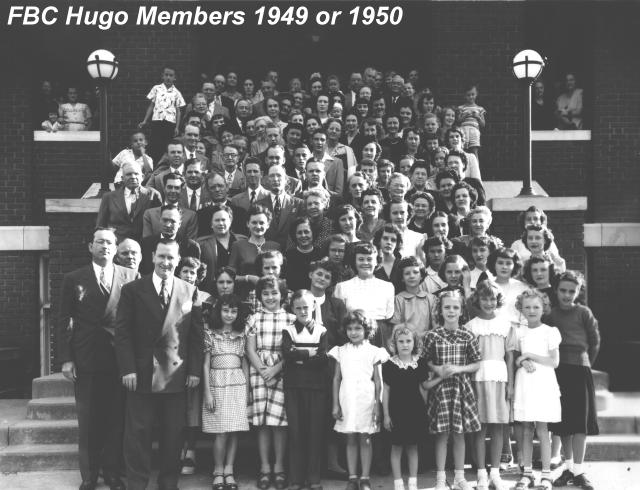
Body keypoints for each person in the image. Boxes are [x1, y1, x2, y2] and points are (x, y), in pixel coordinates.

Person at [115, 238, 204, 490]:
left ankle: (168, 483)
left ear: (178, 260)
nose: (166, 262)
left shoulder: (189, 290)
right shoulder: (133, 290)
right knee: (138, 434)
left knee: (172, 434)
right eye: (162, 256)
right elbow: (123, 334)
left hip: (175, 374)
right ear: (153, 256)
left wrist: (194, 371)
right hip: (141, 373)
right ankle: (137, 484)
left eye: (171, 257)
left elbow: (196, 337)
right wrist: (128, 369)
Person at [58, 228, 137, 490]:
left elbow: (137, 320)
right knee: (89, 419)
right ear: (90, 246)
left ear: (116, 248)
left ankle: (112, 473)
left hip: (119, 358)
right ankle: (89, 475)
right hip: (87, 357)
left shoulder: (130, 276)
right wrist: (67, 358)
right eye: (100, 242)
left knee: (116, 419)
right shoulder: (74, 278)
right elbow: (64, 319)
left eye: (110, 242)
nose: (105, 246)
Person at [423, 290, 481, 490]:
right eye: (447, 307)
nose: (451, 311)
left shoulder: (467, 335)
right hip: (440, 389)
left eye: (455, 307)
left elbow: (476, 363)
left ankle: (459, 477)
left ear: (461, 310)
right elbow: (425, 360)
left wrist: (459, 369)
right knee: (441, 435)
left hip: (460, 389)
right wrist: (437, 368)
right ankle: (441, 478)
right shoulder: (432, 335)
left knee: (459, 434)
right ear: (440, 310)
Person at [547, 272, 600, 490]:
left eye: (572, 291)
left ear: (578, 292)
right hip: (559, 372)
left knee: (580, 423)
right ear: (556, 290)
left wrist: (585, 363)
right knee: (563, 424)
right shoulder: (551, 315)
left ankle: (579, 470)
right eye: (563, 290)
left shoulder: (584, 313)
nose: (567, 295)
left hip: (580, 370)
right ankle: (569, 468)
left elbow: (595, 341)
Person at [329, 310, 389, 490]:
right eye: (350, 329)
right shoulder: (341, 351)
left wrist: (377, 405)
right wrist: (335, 404)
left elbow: (378, 380)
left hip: (366, 399)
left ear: (366, 330)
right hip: (347, 398)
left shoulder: (374, 351)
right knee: (350, 439)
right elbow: (336, 378)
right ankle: (352, 477)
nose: (353, 332)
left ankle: (365, 478)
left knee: (365, 438)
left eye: (358, 328)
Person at [466, 280, 514, 490]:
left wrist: (511, 385)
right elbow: (468, 358)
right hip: (478, 379)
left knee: (498, 427)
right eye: (484, 298)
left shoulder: (506, 325)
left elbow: (510, 358)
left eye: (492, 298)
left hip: (500, 379)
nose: (488, 302)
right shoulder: (471, 326)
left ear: (498, 300)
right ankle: (481, 474)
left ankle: (495, 473)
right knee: (479, 427)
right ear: (477, 300)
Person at [511, 289, 561, 490]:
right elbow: (515, 358)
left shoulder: (550, 331)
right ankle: (528, 473)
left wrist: (529, 355)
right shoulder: (518, 332)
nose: (531, 311)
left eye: (536, 307)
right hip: (525, 383)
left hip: (543, 383)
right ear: (521, 309)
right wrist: (522, 361)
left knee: (542, 429)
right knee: (526, 429)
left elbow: (554, 361)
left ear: (543, 308)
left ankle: (546, 475)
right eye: (527, 307)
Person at [245, 276, 292, 490]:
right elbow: (250, 349)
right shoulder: (254, 318)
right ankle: (265, 468)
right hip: (259, 371)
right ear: (259, 296)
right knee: (263, 422)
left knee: (279, 423)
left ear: (282, 295)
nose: (270, 297)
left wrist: (275, 370)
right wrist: (264, 371)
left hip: (282, 371)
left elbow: (291, 351)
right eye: (265, 293)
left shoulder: (290, 319)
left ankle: (279, 467)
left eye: (274, 293)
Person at [282, 290, 329, 490]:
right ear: (293, 309)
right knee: (296, 432)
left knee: (314, 432)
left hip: (316, 387)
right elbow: (287, 353)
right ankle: (296, 479)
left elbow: (323, 358)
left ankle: (314, 478)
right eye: (298, 308)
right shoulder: (288, 330)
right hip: (294, 386)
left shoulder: (321, 331)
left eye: (306, 307)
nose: (302, 311)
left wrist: (299, 357)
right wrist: (310, 353)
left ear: (313, 307)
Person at [202, 294, 250, 490]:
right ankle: (218, 470)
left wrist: (247, 391)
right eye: (225, 310)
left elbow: (244, 364)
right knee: (221, 432)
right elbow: (205, 365)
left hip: (237, 384)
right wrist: (207, 392)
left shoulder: (241, 334)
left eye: (233, 311)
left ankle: (229, 469)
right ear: (219, 311)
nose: (229, 314)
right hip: (217, 383)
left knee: (233, 430)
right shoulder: (210, 334)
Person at [382, 325, 435, 490]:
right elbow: (386, 391)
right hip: (396, 411)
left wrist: (441, 377)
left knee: (413, 447)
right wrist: (386, 415)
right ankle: (398, 483)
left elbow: (425, 386)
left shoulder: (420, 363)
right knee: (396, 447)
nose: (405, 344)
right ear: (394, 343)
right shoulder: (389, 365)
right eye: (401, 341)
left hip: (415, 411)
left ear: (414, 342)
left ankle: (413, 483)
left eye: (408, 341)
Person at [334, 242, 395, 347]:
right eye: (361, 259)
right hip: (352, 335)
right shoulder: (342, 287)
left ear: (376, 261)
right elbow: (340, 317)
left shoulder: (388, 287)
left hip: (379, 337)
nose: (365, 263)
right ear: (355, 261)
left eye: (369, 259)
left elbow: (389, 315)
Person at [96, 161, 162, 242]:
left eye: (136, 174)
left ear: (142, 177)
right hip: (118, 245)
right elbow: (101, 226)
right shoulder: (109, 197)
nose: (133, 177)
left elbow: (159, 224)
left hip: (145, 244)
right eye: (128, 174)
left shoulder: (153, 195)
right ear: (122, 178)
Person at [139, 66, 186, 163]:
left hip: (170, 123)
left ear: (174, 78)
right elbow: (151, 106)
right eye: (166, 75)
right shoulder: (156, 88)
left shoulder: (177, 93)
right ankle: (154, 165)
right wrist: (145, 121)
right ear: (162, 76)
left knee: (166, 145)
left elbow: (178, 111)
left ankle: (164, 165)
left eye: (171, 75)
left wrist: (177, 127)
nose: (168, 77)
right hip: (157, 122)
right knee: (155, 145)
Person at [197, 203, 246, 293]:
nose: (220, 223)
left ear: (230, 221)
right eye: (217, 220)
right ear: (211, 224)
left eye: (223, 220)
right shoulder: (201, 244)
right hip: (212, 291)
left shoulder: (243, 241)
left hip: (240, 291)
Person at [140, 204, 200, 274]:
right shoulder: (145, 244)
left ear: (179, 224)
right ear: (160, 220)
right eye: (165, 220)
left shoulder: (191, 247)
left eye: (173, 221)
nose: (168, 225)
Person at [257, 163, 304, 248]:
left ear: (286, 179)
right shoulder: (258, 205)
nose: (275, 179)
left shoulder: (299, 204)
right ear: (267, 180)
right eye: (272, 176)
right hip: (267, 251)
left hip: (291, 251)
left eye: (279, 175)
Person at [391, 256, 435, 340]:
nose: (412, 276)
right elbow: (397, 328)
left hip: (428, 341)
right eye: (407, 273)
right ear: (402, 278)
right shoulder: (398, 299)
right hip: (406, 342)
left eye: (415, 272)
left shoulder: (431, 299)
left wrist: (422, 336)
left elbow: (436, 327)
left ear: (421, 275)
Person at [285, 217, 323, 291]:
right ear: (295, 235)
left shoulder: (321, 254)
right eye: (299, 233)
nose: (303, 235)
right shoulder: (287, 256)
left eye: (306, 232)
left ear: (313, 233)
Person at [456, 85, 486, 159]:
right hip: (463, 130)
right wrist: (464, 116)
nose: (471, 97)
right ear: (464, 96)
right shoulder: (461, 108)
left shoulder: (480, 108)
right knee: (463, 149)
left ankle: (476, 166)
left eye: (473, 94)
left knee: (474, 150)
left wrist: (477, 117)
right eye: (468, 95)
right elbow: (457, 121)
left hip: (474, 130)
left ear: (476, 94)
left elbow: (483, 124)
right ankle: (464, 164)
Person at [373, 224, 404, 294]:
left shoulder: (402, 265)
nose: (389, 242)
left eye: (393, 240)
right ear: (379, 241)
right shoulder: (373, 265)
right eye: (385, 238)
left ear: (397, 244)